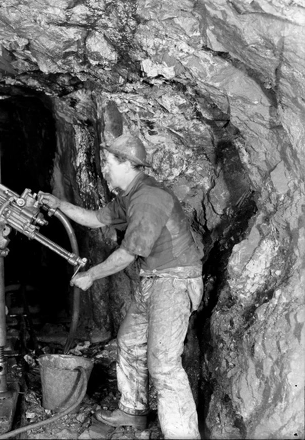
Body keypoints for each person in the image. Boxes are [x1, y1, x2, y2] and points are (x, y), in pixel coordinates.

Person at [39, 133, 203, 439]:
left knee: (164, 365)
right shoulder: (129, 195)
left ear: (128, 164)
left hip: (175, 281)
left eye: (109, 162)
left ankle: (184, 435)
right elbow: (95, 219)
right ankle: (133, 412)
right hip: (153, 279)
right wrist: (59, 203)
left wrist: (91, 275)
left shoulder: (148, 198)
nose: (105, 169)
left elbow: (129, 253)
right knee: (128, 342)